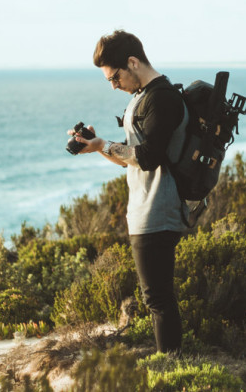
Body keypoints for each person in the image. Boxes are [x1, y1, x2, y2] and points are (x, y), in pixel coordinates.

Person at [68, 30, 188, 353]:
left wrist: (105, 145)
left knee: (158, 299)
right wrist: (96, 146)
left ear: (132, 62)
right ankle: (172, 367)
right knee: (158, 298)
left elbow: (147, 158)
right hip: (146, 210)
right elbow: (131, 159)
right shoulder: (142, 97)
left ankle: (172, 371)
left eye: (114, 76)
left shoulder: (161, 97)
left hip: (157, 210)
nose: (113, 85)